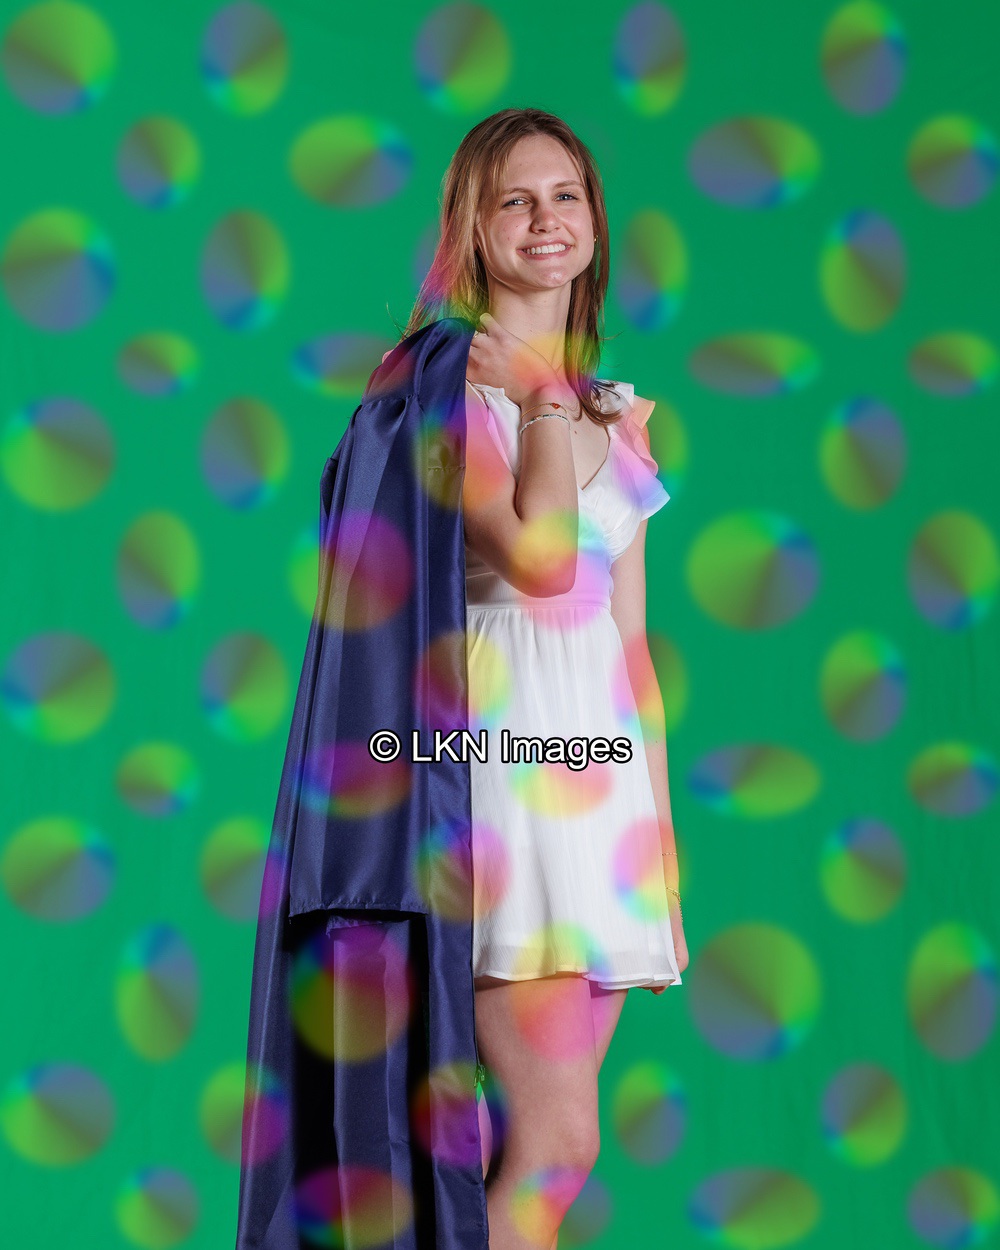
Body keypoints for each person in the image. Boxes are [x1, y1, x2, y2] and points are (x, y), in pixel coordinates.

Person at [391, 108, 690, 1249]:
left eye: (565, 194)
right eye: (514, 199)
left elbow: (630, 646)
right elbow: (542, 559)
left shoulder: (616, 415)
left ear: (596, 220)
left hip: (601, 802)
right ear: (473, 226)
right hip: (501, 779)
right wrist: (541, 404)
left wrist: (658, 858)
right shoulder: (444, 391)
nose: (545, 219)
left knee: (515, 1149)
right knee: (556, 1144)